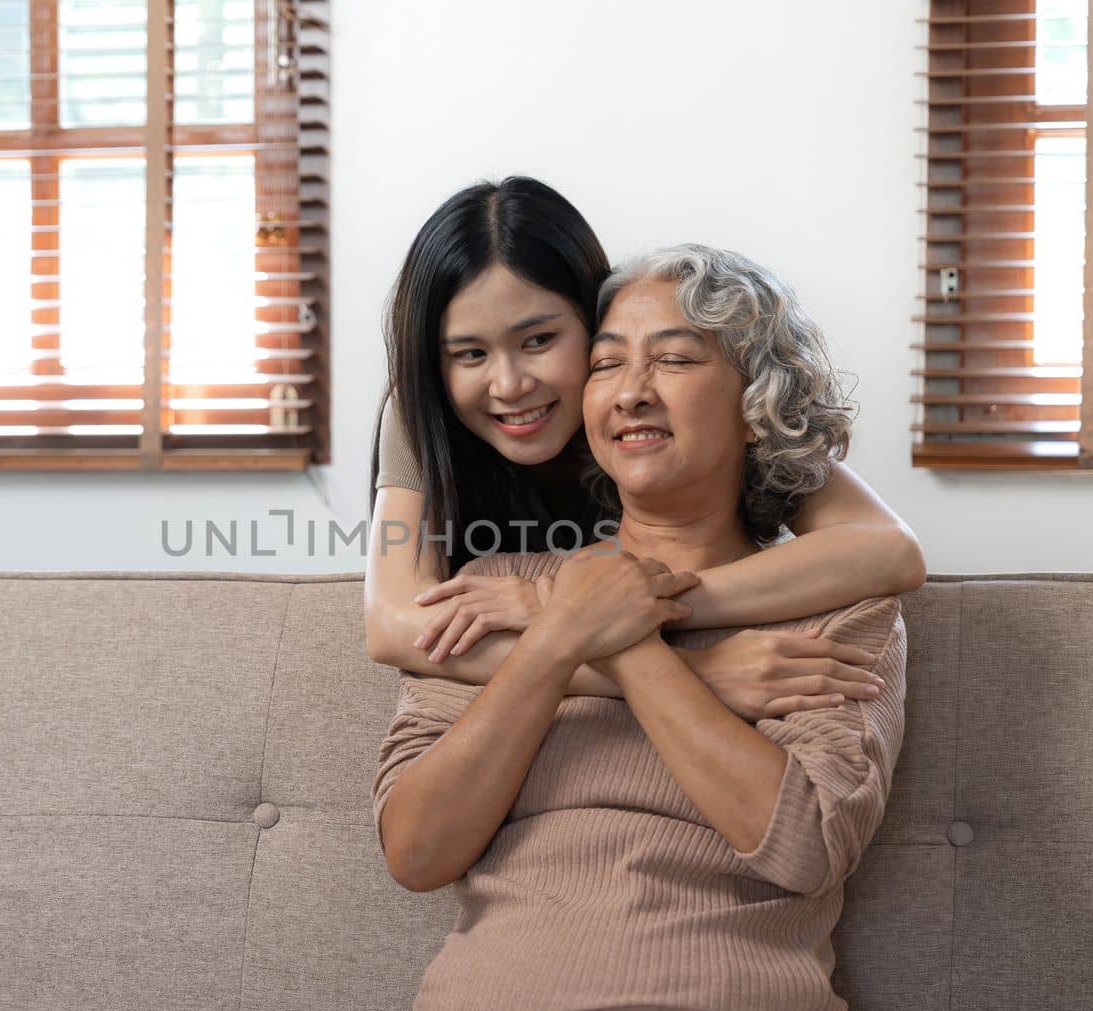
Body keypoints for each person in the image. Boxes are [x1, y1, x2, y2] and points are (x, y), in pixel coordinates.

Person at [373, 244, 909, 1011]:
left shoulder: (840, 606)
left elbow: (808, 846)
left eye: (676, 358)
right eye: (606, 363)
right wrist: (558, 635)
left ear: (757, 401)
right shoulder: (494, 591)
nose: (631, 391)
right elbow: (416, 851)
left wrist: (622, 628)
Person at [365, 178, 923, 724]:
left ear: (597, 323)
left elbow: (888, 549)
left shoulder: (645, 411)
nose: (509, 385)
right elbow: (394, 624)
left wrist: (603, 608)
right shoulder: (423, 414)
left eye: (539, 341)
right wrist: (692, 673)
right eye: (468, 353)